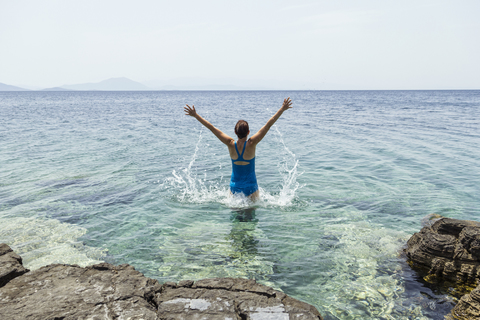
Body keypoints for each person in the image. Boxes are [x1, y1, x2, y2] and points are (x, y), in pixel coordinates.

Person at [184, 97, 293, 200]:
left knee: (235, 217)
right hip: (251, 187)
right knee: (251, 217)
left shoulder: (230, 144)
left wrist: (195, 115)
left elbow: (212, 128)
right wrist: (282, 109)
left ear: (235, 132)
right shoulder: (252, 143)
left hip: (234, 187)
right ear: (248, 132)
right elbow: (268, 125)